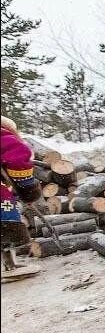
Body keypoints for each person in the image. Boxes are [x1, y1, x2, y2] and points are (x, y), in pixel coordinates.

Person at [1, 116, 42, 280]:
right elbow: (18, 156)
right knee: (5, 227)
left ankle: (8, 264)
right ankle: (9, 266)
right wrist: (27, 187)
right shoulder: (4, 136)